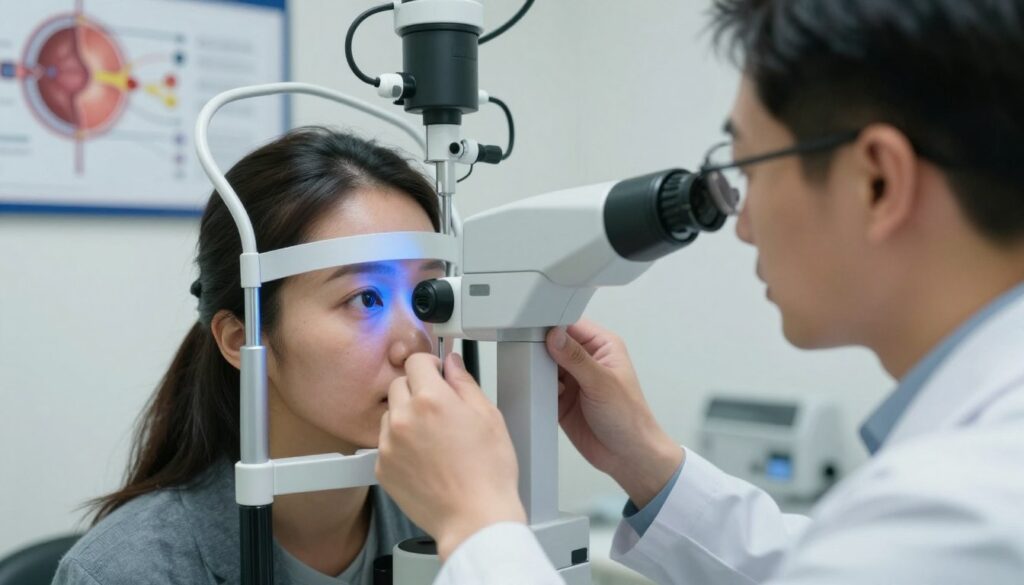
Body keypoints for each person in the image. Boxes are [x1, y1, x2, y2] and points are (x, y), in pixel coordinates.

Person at [375, 0, 1024, 583]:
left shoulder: (963, 506)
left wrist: (474, 521)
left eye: (748, 170)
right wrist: (650, 463)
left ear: (876, 181)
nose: (741, 225)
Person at [53, 127, 445, 585]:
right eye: (366, 298)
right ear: (240, 339)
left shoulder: (448, 520)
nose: (415, 343)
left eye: (426, 295)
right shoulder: (131, 572)